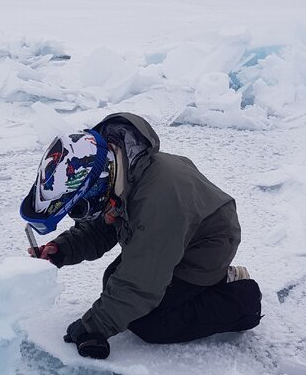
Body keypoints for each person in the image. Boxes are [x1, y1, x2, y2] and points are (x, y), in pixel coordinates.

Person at [20, 113, 261, 359]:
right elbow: (104, 225)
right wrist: (62, 249)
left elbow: (140, 284)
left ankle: (240, 296)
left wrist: (94, 327)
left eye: (79, 209)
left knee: (151, 323)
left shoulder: (156, 199)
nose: (78, 215)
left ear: (99, 184)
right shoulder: (122, 168)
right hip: (174, 234)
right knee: (114, 282)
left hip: (205, 247)